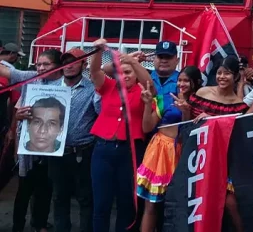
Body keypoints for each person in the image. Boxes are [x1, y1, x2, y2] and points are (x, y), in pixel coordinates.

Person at [179, 56, 249, 232]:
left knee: (229, 203)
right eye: (219, 73)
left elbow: (236, 137)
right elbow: (187, 127)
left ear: (235, 77)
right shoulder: (203, 93)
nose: (222, 77)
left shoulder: (239, 106)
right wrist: (185, 112)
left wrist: (214, 120)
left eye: (227, 73)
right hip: (197, 156)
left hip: (222, 160)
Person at [89, 40, 149, 232]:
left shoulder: (143, 91)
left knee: (126, 204)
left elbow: (148, 81)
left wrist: (133, 62)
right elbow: (95, 71)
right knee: (101, 203)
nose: (125, 75)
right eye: (121, 72)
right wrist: (97, 51)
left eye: (129, 72)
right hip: (103, 150)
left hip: (129, 152)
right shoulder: (109, 86)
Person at [136, 66, 202, 232]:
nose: (182, 84)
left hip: (184, 154)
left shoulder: (200, 103)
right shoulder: (165, 99)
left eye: (186, 80)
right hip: (160, 152)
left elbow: (188, 133)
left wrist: (186, 112)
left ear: (195, 83)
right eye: (180, 80)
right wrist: (147, 104)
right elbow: (146, 127)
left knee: (177, 206)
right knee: (151, 205)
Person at [3, 49, 63, 232]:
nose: (41, 68)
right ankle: (17, 226)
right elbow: (18, 110)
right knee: (24, 189)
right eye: (38, 64)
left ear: (58, 66)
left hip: (53, 147)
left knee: (45, 188)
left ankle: (40, 223)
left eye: (46, 64)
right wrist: (17, 121)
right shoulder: (32, 81)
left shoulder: (65, 84)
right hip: (29, 146)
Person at [49, 49, 97, 232]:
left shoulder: (93, 90)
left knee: (86, 198)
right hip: (56, 152)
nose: (68, 66)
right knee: (59, 197)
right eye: (65, 62)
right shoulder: (50, 88)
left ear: (84, 65)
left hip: (83, 152)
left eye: (74, 62)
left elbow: (101, 112)